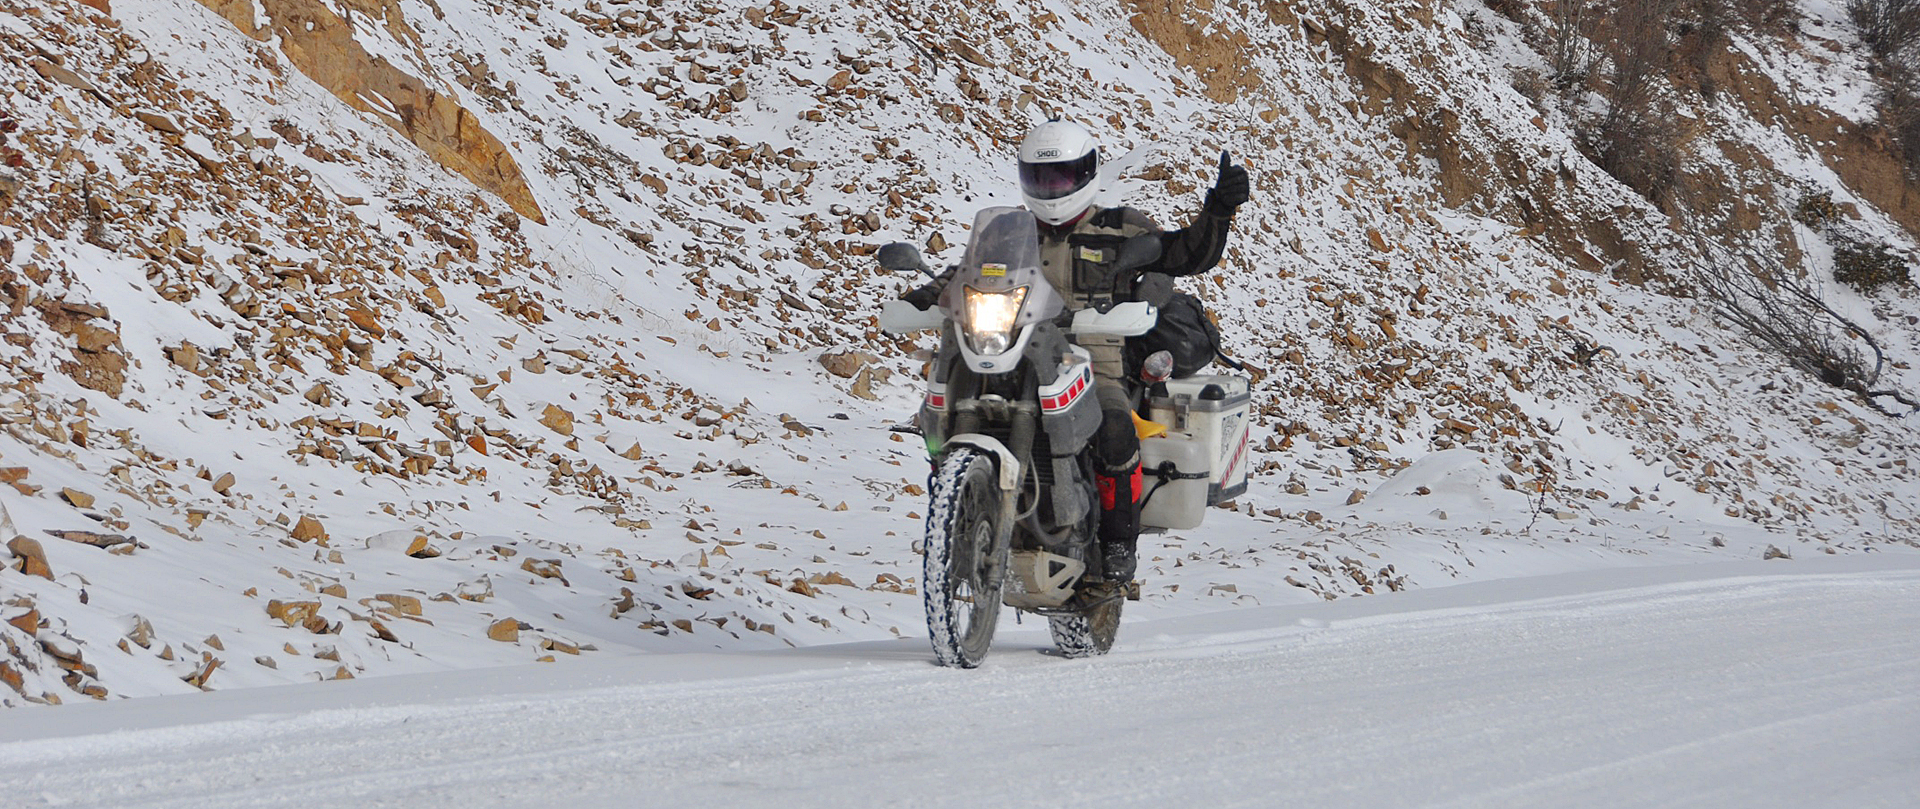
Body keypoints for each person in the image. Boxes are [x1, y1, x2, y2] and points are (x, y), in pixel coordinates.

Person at [906, 119, 1249, 590]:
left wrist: (1218, 212)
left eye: (1062, 178)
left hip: (1093, 362)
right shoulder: (1008, 232)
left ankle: (1116, 543)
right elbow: (967, 273)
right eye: (1042, 178)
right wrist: (926, 296)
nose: (1051, 189)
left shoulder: (1122, 227)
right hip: (1014, 357)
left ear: (1087, 174)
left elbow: (1182, 254)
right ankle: (957, 504)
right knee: (940, 410)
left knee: (1114, 429)